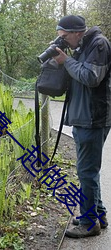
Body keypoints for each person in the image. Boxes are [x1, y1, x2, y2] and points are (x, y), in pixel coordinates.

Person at [53, 15, 111, 238]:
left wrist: (66, 61)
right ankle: (98, 214)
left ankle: (89, 223)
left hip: (93, 118)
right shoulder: (82, 46)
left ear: (77, 32)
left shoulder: (99, 44)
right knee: (88, 171)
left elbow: (90, 77)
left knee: (86, 171)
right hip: (83, 117)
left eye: (65, 37)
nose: (64, 41)